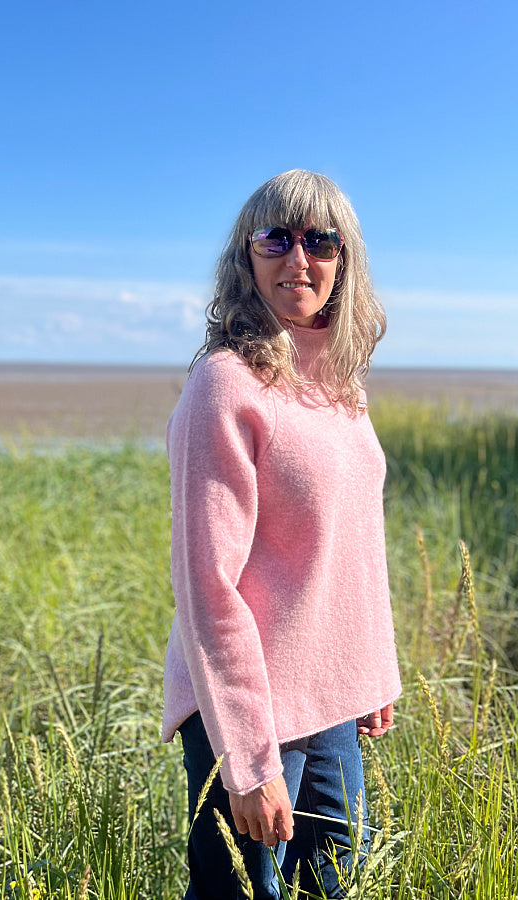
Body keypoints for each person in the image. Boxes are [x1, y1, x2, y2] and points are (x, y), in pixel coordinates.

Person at [162, 169, 401, 899]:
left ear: (343, 260)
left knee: (334, 885)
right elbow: (208, 586)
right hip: (249, 703)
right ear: (247, 258)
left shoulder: (340, 389)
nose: (299, 258)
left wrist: (372, 667)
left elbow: (358, 539)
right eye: (277, 238)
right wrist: (248, 757)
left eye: (320, 240)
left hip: (330, 700)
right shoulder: (225, 384)